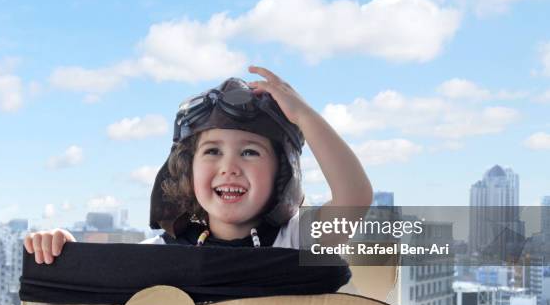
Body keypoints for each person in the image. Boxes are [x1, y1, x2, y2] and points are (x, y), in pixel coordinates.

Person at [24, 66, 372, 263]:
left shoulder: (295, 239)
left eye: (250, 152)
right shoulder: (156, 256)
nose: (229, 167)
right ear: (187, 170)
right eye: (212, 152)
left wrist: (304, 117)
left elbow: (354, 196)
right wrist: (64, 252)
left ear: (283, 174)